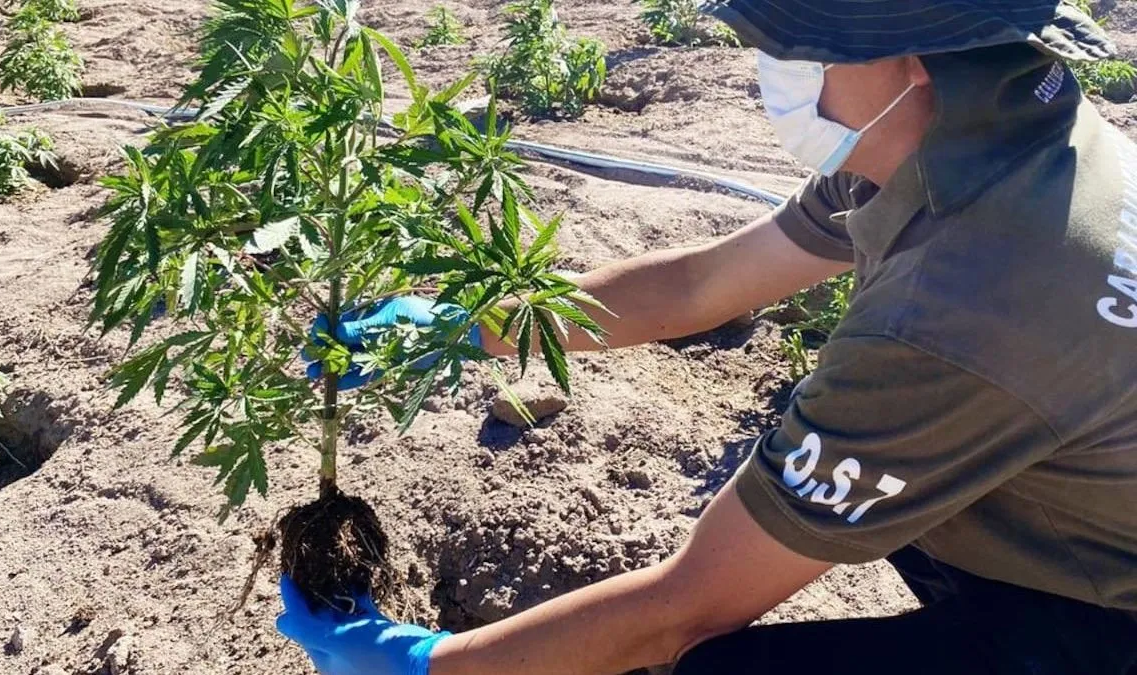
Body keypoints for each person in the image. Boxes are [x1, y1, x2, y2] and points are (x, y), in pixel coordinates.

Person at [277, 1, 1137, 673]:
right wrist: (466, 328)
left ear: (910, 60)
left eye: (804, 43)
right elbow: (700, 285)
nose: (774, 64)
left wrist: (426, 664)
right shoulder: (980, 130)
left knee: (719, 665)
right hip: (1073, 513)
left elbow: (682, 609)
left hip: (1104, 617)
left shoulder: (954, 307)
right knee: (843, 463)